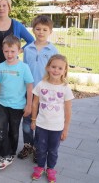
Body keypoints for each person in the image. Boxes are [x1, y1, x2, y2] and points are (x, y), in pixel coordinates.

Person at [0, 0, 34, 137]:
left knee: (8, 94)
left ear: (9, 7)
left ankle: (7, 123)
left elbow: (31, 40)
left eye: (4, 5)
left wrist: (20, 50)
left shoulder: (16, 25)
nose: (1, 8)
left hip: (11, 67)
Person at [18, 15, 58, 161]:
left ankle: (38, 148)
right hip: (29, 92)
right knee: (27, 120)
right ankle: (28, 145)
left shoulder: (53, 50)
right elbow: (24, 69)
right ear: (33, 30)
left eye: (45, 29)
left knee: (40, 121)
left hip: (45, 93)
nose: (41, 32)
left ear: (50, 31)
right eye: (38, 29)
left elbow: (55, 71)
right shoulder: (28, 49)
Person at [0, 35, 33, 170]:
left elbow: (29, 86)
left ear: (19, 51)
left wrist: (29, 104)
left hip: (18, 106)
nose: (9, 54)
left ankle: (11, 153)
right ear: (2, 51)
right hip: (2, 105)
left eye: (13, 51)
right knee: (1, 130)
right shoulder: (0, 67)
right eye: (6, 51)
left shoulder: (24, 67)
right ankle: (5, 155)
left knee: (14, 132)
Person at [30, 54, 74, 183]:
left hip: (57, 127)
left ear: (65, 71)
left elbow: (68, 110)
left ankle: (50, 168)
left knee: (53, 150)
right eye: (53, 67)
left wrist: (66, 129)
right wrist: (33, 120)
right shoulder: (41, 84)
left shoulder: (65, 89)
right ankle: (40, 167)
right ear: (48, 67)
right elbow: (34, 103)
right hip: (41, 124)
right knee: (41, 148)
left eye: (60, 68)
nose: (56, 70)